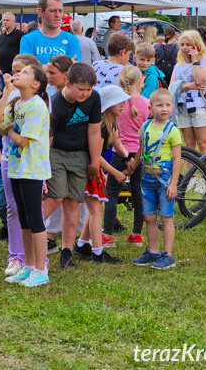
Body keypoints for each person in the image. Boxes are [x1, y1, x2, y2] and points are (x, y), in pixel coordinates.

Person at [0, 64, 51, 288]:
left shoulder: (37, 106)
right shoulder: (18, 103)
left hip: (32, 170)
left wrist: (10, 131)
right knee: (24, 220)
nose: (17, 74)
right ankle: (29, 265)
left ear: (36, 84)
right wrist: (6, 93)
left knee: (35, 219)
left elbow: (23, 141)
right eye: (17, 72)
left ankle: (41, 270)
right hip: (16, 168)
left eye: (24, 72)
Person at [43, 62, 101, 269]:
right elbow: (47, 139)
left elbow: (94, 131)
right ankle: (29, 231)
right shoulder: (55, 104)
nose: (85, 94)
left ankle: (67, 251)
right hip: (56, 153)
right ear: (68, 84)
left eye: (89, 89)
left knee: (73, 202)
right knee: (56, 196)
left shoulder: (94, 98)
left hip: (80, 155)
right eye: (81, 89)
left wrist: (94, 161)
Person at [72, 85, 128, 265]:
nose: (122, 105)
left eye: (123, 102)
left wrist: (129, 157)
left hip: (94, 169)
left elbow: (117, 144)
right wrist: (115, 172)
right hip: (90, 170)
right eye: (118, 102)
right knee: (96, 210)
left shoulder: (111, 124)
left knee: (96, 209)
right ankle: (97, 252)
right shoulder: (102, 126)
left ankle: (82, 245)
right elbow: (95, 155)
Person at [132, 88, 183, 270]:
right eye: (159, 105)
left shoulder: (173, 130)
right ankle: (153, 251)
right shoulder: (144, 127)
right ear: (150, 107)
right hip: (147, 179)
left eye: (168, 105)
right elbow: (141, 150)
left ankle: (167, 255)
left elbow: (177, 159)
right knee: (149, 217)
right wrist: (132, 165)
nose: (164, 108)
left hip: (165, 180)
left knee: (166, 217)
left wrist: (174, 184)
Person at [104, 65, 148, 247]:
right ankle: (137, 233)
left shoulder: (117, 105)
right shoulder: (146, 103)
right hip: (138, 154)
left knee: (111, 193)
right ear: (140, 81)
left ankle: (107, 233)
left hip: (119, 153)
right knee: (137, 192)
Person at [171, 30, 206, 154]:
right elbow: (172, 86)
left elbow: (200, 80)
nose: (184, 48)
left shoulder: (205, 61)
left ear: (196, 45)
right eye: (182, 45)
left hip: (200, 105)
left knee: (203, 143)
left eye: (188, 44)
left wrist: (196, 61)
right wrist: (191, 85)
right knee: (189, 145)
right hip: (183, 106)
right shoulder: (179, 65)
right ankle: (192, 173)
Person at [19, 0, 81, 64]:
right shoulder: (28, 39)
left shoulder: (71, 39)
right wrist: (64, 66)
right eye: (52, 11)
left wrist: (38, 67)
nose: (57, 15)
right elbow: (27, 70)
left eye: (60, 11)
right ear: (41, 12)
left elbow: (74, 71)